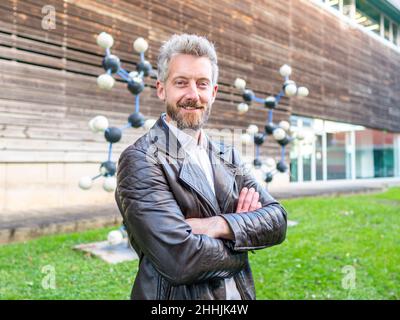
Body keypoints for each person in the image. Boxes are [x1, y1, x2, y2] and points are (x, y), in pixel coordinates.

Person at [115, 34, 287, 300]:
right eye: (181, 83)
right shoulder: (140, 159)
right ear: (162, 89)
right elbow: (181, 261)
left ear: (214, 92)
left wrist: (217, 225)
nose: (193, 95)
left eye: (202, 84)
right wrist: (243, 237)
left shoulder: (227, 154)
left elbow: (277, 220)